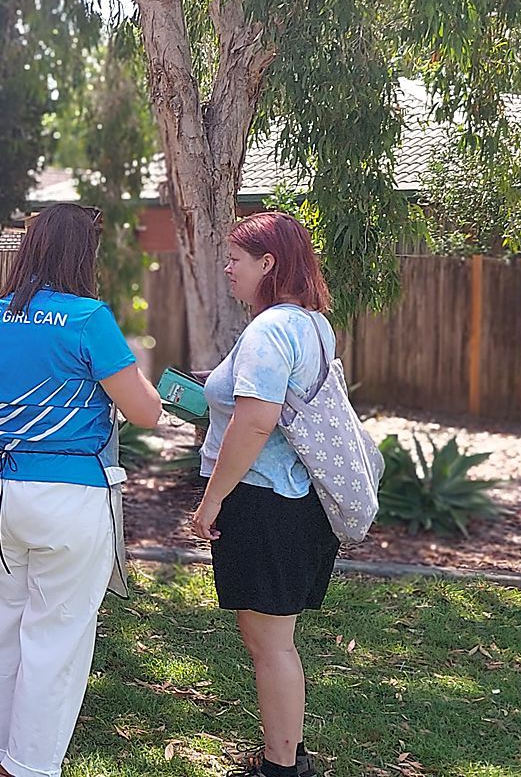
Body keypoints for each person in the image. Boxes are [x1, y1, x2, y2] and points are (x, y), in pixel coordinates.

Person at [0, 201, 162, 777]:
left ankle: (3, 757)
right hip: (65, 493)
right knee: (57, 637)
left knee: (4, 627)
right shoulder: (87, 317)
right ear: (84, 254)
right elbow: (146, 412)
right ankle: (28, 766)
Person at [192, 212, 339, 777]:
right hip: (295, 502)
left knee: (270, 643)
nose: (228, 268)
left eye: (236, 259)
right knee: (274, 640)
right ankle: (286, 753)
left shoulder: (269, 330)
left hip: (263, 501)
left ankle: (282, 766)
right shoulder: (312, 324)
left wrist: (211, 500)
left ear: (268, 263)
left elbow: (256, 422)